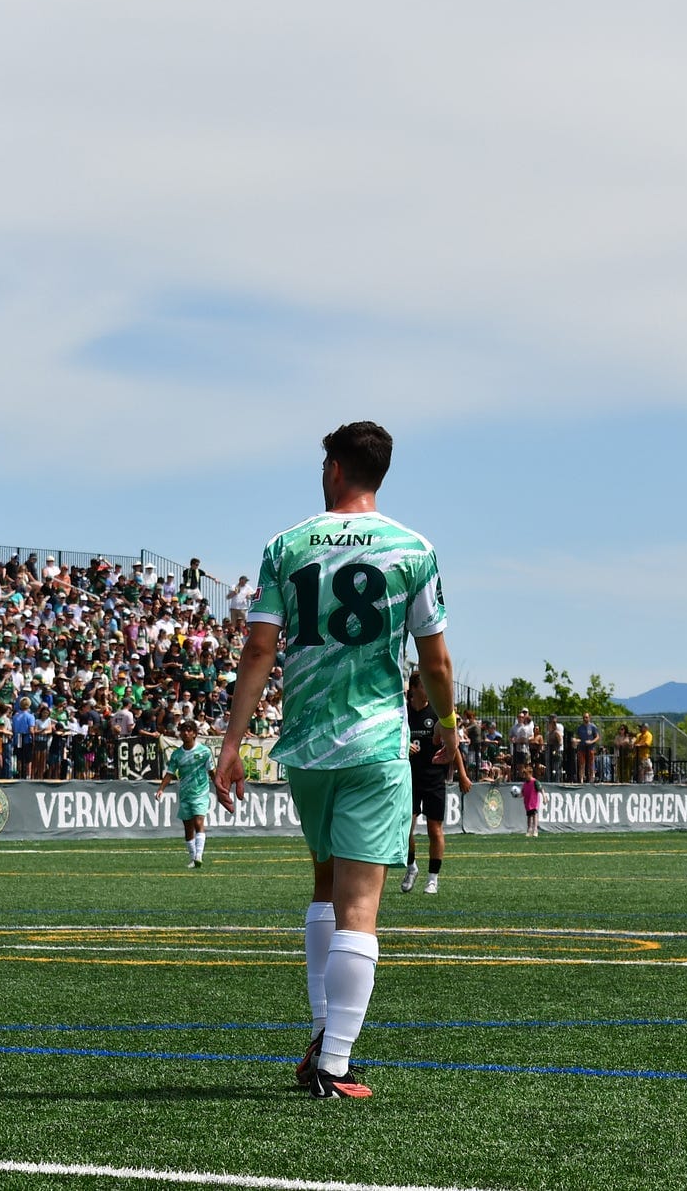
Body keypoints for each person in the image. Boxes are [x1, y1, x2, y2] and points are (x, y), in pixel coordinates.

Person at [213, 421, 454, 1101]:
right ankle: (335, 1062)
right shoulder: (415, 548)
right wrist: (452, 729)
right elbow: (433, 658)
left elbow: (259, 650)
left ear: (334, 469)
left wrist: (231, 744)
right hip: (376, 742)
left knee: (324, 886)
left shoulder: (286, 545)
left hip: (309, 745)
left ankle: (323, 1034)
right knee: (361, 907)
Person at [402, 676, 472, 895]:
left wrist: (462, 775)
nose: (428, 689)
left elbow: (454, 746)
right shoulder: (402, 714)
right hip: (409, 779)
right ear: (414, 689)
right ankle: (411, 867)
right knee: (405, 829)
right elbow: (389, 739)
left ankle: (433, 878)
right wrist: (403, 746)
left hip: (434, 779)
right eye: (424, 685)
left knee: (435, 830)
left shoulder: (437, 714)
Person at [160, 721, 214, 868]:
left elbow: (212, 772)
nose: (186, 733)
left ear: (195, 734)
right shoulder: (177, 755)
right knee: (188, 828)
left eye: (189, 730)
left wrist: (220, 788)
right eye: (183, 730)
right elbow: (170, 773)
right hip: (185, 793)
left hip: (201, 792)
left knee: (198, 823)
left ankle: (199, 855)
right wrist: (161, 789)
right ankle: (192, 858)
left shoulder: (204, 752)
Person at [574, 712, 600, 784]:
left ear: (589, 718)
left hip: (590, 748)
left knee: (591, 764)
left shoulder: (593, 727)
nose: (585, 719)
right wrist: (576, 740)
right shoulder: (580, 728)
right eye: (584, 717)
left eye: (586, 717)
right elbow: (578, 737)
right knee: (581, 764)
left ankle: (591, 779)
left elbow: (597, 737)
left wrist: (591, 742)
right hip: (581, 747)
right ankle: (581, 780)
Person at [520, 764, 541, 838]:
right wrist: (518, 795)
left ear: (530, 774)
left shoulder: (535, 782)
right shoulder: (525, 784)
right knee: (529, 816)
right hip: (527, 802)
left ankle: (535, 829)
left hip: (534, 802)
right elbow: (522, 792)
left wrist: (544, 797)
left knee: (534, 815)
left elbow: (541, 789)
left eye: (526, 775)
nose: (525, 777)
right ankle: (529, 829)